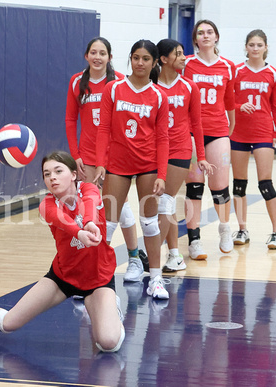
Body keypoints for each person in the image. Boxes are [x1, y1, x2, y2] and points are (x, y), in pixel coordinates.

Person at [0, 151, 125, 353]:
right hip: (62, 278)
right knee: (8, 324)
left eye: (59, 171)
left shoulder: (90, 189)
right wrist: (81, 232)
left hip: (98, 280)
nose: (53, 178)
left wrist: (90, 223)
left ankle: (111, 308)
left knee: (109, 343)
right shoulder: (47, 205)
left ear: (74, 175)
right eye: (47, 174)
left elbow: (90, 203)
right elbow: (62, 220)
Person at [65, 37, 149, 279]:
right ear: (86, 56)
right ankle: (96, 260)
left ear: (110, 57)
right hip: (88, 157)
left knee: (117, 204)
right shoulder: (76, 83)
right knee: (94, 207)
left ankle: (133, 257)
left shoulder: (119, 82)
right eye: (93, 52)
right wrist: (75, 155)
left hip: (115, 156)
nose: (97, 57)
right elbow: (71, 120)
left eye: (103, 53)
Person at [94, 39, 170, 299]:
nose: (140, 63)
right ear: (129, 59)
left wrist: (162, 174)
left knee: (149, 223)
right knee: (107, 224)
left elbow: (163, 138)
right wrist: (100, 162)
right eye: (136, 57)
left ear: (154, 62)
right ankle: (96, 278)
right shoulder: (113, 89)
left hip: (148, 164)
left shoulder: (159, 95)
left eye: (145, 58)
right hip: (117, 164)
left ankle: (156, 280)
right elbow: (103, 128)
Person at [156, 39, 214, 271]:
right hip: (153, 150)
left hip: (179, 149)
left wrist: (200, 155)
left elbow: (197, 125)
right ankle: (173, 254)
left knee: (165, 201)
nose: (183, 58)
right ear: (163, 59)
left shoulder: (190, 87)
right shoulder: (151, 85)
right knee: (164, 205)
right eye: (178, 54)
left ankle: (148, 255)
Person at [182, 19, 236, 259]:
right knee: (194, 187)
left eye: (209, 32)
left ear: (216, 37)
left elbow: (230, 101)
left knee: (220, 187)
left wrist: (230, 126)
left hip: (217, 130)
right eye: (200, 33)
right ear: (195, 39)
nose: (205, 36)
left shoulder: (227, 66)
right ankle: (194, 241)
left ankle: (225, 228)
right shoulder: (187, 65)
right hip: (192, 132)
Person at [231, 29, 276, 249]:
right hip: (238, 133)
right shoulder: (236, 71)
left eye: (259, 45)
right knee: (239, 185)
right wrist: (238, 106)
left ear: (266, 47)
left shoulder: (273, 73)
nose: (255, 49)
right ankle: (242, 229)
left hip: (263, 131)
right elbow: (227, 102)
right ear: (246, 47)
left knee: (266, 184)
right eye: (251, 45)